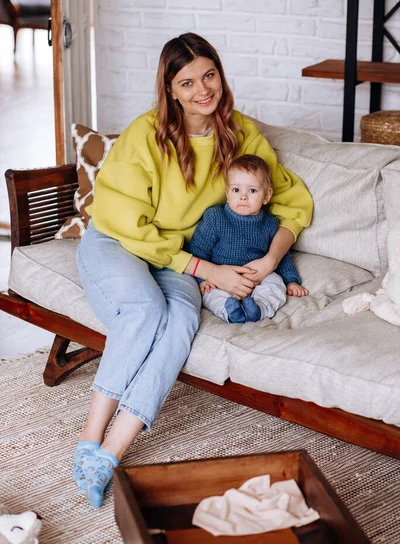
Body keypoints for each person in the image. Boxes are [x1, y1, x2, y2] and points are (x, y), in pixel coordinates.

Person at [74, 32, 313, 509]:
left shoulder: (241, 133)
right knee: (143, 311)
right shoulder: (147, 134)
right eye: (187, 82)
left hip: (178, 256)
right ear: (170, 90)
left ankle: (110, 455)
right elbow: (127, 224)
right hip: (121, 244)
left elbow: (291, 202)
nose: (202, 90)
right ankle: (88, 438)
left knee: (181, 319)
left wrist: (269, 261)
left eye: (209, 75)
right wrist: (212, 271)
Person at [188, 154, 308, 323]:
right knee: (209, 293)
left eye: (252, 191)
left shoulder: (270, 224)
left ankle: (259, 308)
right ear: (227, 193)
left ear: (266, 196)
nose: (243, 196)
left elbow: (281, 257)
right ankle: (229, 311)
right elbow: (198, 250)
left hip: (257, 277)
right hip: (221, 277)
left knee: (276, 283)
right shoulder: (215, 217)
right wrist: (203, 279)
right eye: (236, 190)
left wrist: (291, 281)